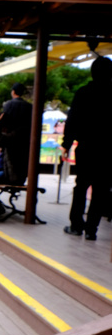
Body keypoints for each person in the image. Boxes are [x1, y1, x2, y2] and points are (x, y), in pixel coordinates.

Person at [61, 56, 112, 241]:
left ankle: (76, 225)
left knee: (81, 185)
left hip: (86, 148)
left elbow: (72, 120)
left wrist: (66, 144)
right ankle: (92, 229)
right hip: (108, 151)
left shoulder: (83, 93)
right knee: (101, 189)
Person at [0, 82, 33, 222]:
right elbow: (4, 151)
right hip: (7, 170)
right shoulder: (23, 130)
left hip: (11, 173)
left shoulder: (19, 132)